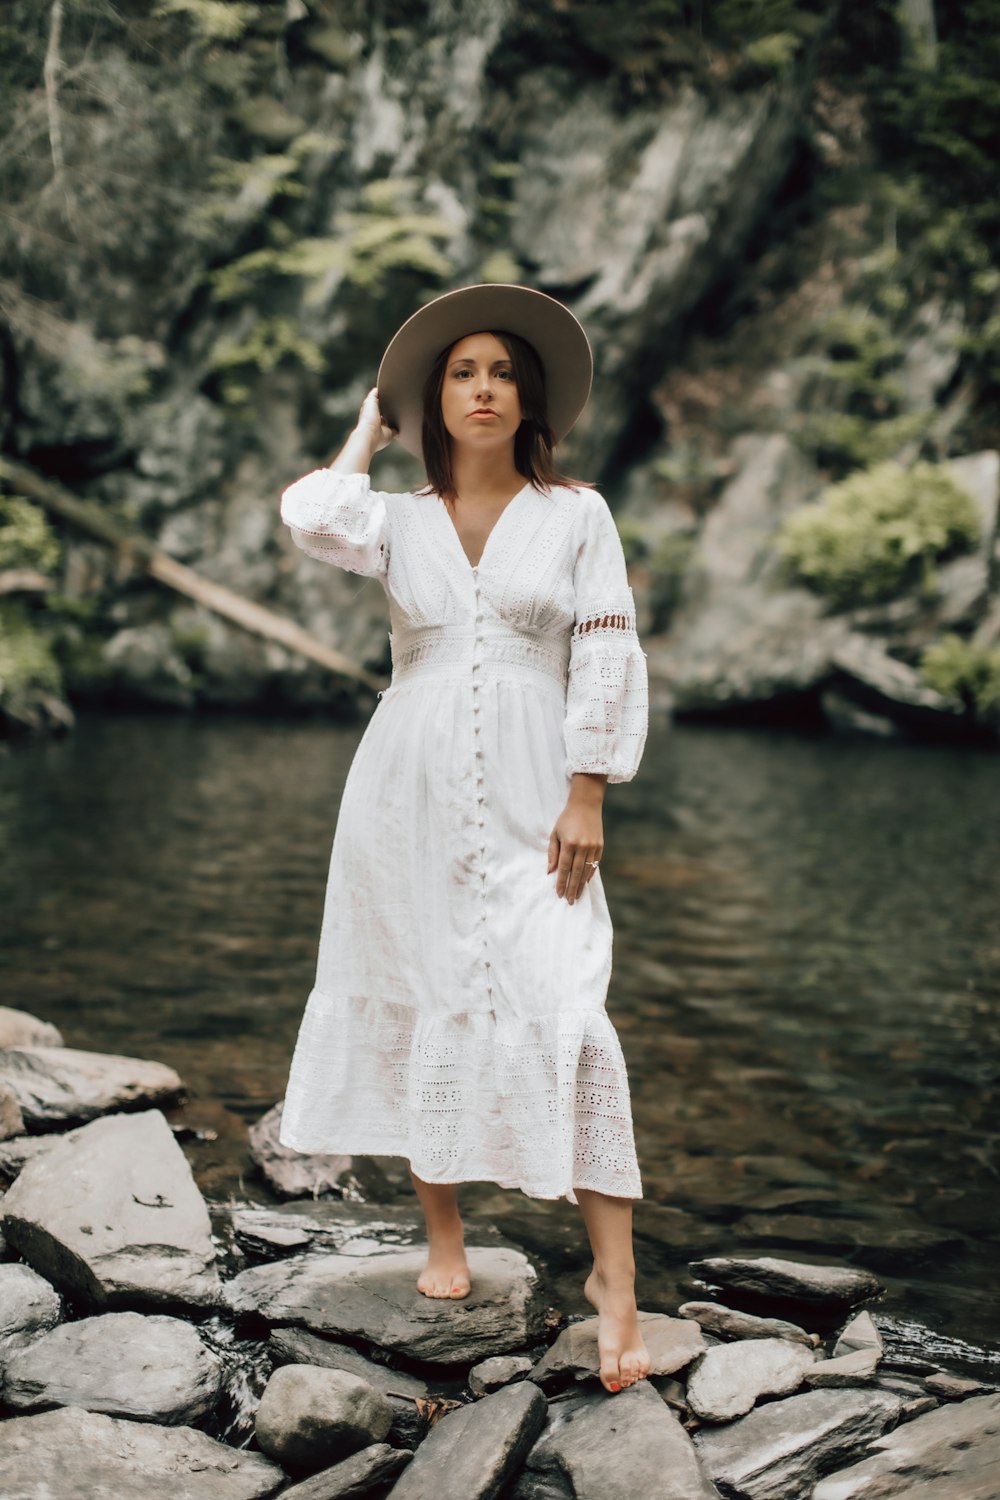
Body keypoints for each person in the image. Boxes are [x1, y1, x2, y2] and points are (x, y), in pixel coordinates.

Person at [277, 283, 651, 1394]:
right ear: (431, 398)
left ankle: (614, 1279)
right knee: (423, 979)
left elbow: (607, 649)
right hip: (407, 790)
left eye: (500, 371)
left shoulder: (576, 511)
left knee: (568, 1002)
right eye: (460, 372)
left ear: (526, 395)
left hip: (542, 787)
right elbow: (308, 514)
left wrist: (589, 790)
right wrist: (365, 430)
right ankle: (442, 1235)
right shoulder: (391, 518)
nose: (482, 388)